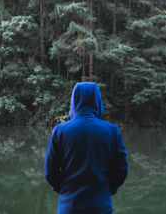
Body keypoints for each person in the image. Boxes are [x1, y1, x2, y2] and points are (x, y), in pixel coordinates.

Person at [44, 82, 128, 214]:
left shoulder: (60, 131)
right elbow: (121, 170)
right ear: (97, 101)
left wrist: (65, 191)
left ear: (74, 101)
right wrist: (106, 191)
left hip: (69, 207)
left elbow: (50, 171)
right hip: (101, 206)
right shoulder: (111, 131)